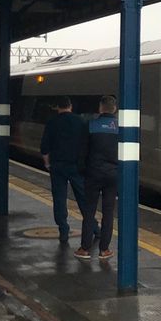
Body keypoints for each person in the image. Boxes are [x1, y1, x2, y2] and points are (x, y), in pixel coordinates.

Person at [39, 96, 88, 245]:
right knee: (83, 197)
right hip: (76, 166)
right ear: (70, 106)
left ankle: (63, 229)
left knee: (59, 198)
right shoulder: (81, 122)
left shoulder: (52, 122)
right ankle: (93, 228)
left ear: (57, 107)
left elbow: (44, 147)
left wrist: (47, 164)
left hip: (57, 166)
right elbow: (87, 144)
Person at [76, 95, 119, 260]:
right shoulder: (120, 128)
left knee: (89, 211)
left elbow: (82, 152)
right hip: (113, 175)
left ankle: (85, 249)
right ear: (114, 109)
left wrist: (82, 170)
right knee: (108, 212)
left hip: (93, 174)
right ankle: (104, 250)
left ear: (100, 108)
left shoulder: (91, 125)